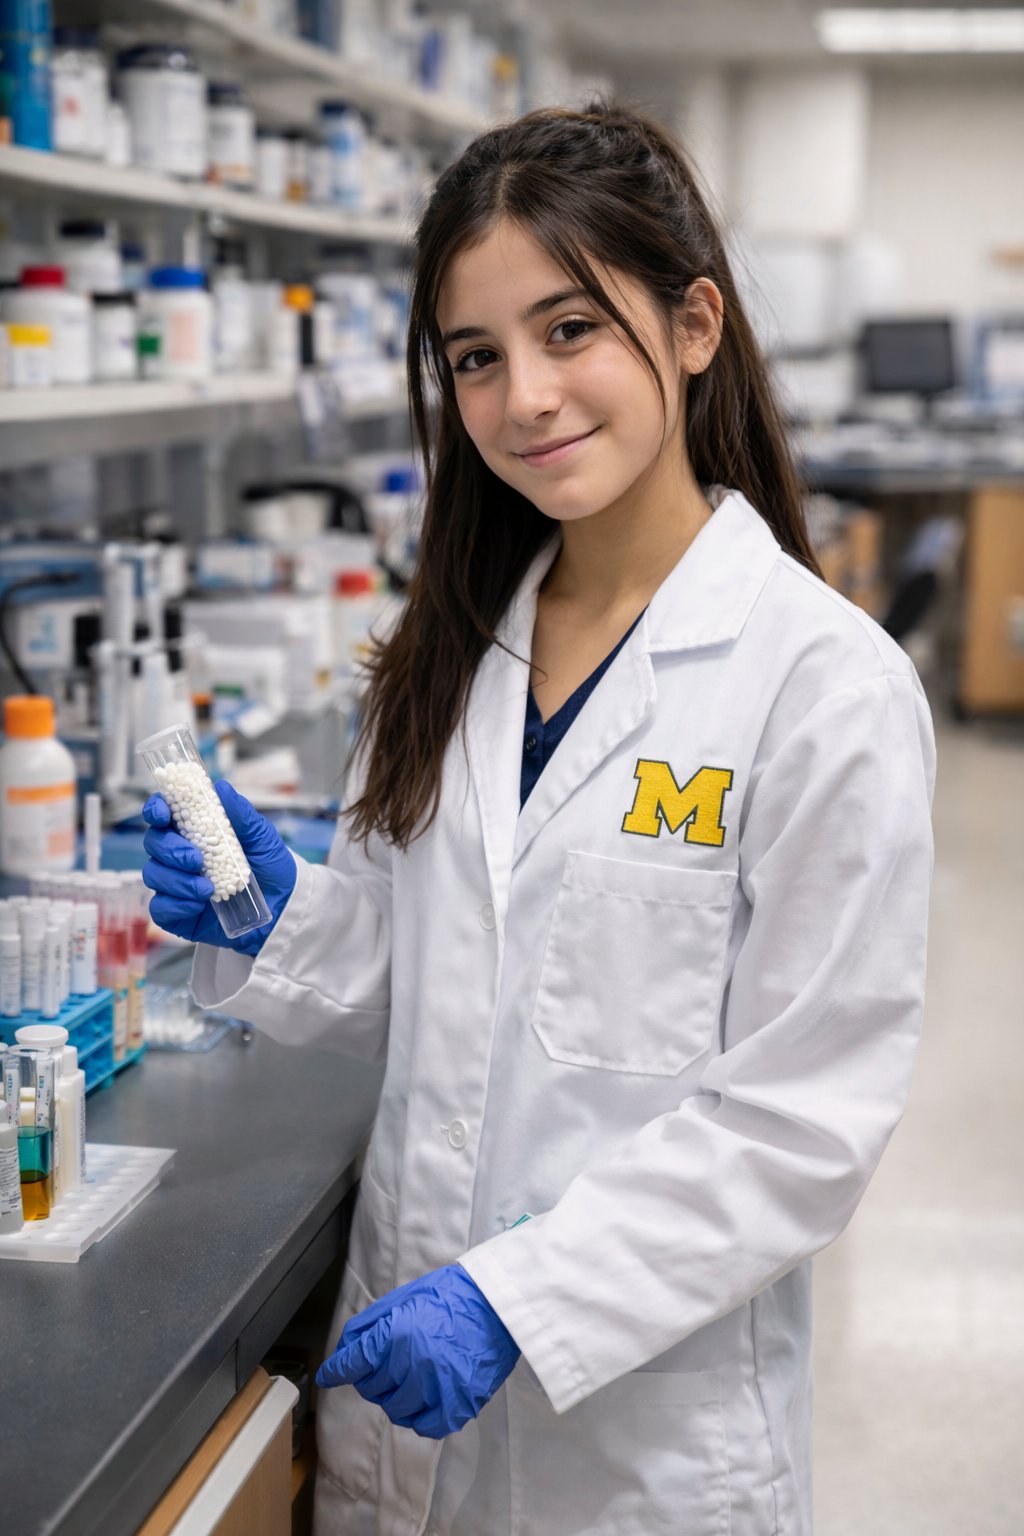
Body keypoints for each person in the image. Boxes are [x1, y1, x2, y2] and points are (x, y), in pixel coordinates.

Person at [142, 100, 936, 1536]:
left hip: (640, 1450)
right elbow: (427, 979)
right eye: (476, 359)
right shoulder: (446, 652)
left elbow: (802, 1120)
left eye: (571, 330)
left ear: (694, 326)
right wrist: (282, 920)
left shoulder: (821, 686)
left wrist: (523, 1298)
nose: (526, 398)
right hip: (402, 1407)